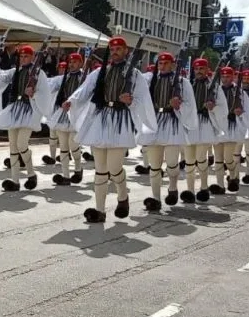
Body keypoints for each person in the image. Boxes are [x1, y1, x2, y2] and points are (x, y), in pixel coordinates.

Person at [63, 36, 155, 223]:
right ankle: (99, 210)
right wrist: (71, 101)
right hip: (101, 117)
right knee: (100, 169)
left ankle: (123, 197)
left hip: (120, 120)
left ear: (126, 51)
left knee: (114, 168)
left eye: (118, 49)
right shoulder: (101, 72)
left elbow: (143, 99)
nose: (114, 53)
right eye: (112, 50)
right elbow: (85, 89)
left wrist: (131, 102)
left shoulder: (135, 74)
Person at [137, 52, 196, 212]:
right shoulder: (149, 80)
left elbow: (191, 105)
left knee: (171, 164)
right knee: (154, 165)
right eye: (160, 64)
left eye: (165, 63)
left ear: (173, 65)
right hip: (154, 121)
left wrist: (179, 106)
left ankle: (172, 187)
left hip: (172, 122)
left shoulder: (183, 83)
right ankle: (155, 199)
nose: (162, 66)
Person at [0, 45, 54, 192]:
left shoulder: (39, 73)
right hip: (15, 109)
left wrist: (33, 94)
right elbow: (0, 78)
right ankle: (15, 181)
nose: (23, 59)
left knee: (21, 144)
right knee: (13, 146)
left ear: (33, 57)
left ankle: (31, 173)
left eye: (26, 56)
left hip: (29, 109)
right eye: (21, 56)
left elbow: (45, 93)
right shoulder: (16, 71)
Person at [181, 58, 225, 203]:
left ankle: (204, 188)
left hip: (205, 123)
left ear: (207, 70)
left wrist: (213, 108)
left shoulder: (214, 86)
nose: (199, 71)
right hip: (190, 123)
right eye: (196, 69)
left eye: (202, 69)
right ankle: (190, 190)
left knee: (201, 159)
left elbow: (223, 107)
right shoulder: (188, 85)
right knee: (189, 160)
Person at [211, 66, 249, 195]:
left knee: (229, 159)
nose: (225, 79)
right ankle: (220, 185)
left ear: (233, 77)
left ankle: (234, 176)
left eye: (228, 76)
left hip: (232, 126)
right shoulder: (216, 90)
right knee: (218, 159)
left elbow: (248, 110)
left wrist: (240, 113)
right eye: (223, 76)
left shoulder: (239, 92)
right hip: (218, 126)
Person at [48, 53, 87, 186]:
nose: (71, 65)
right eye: (70, 62)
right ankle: (65, 175)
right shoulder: (64, 78)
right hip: (63, 114)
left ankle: (78, 168)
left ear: (81, 64)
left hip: (77, 116)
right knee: (63, 147)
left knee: (73, 145)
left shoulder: (85, 78)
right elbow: (51, 86)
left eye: (75, 62)